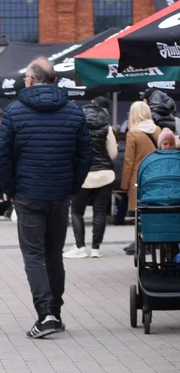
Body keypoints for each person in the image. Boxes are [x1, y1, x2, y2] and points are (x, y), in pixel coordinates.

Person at [0, 58, 91, 339]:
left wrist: (11, 189)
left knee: (34, 255)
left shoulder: (14, 112)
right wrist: (72, 185)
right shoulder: (74, 112)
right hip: (60, 195)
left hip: (28, 193)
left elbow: (4, 156)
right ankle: (56, 313)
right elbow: (85, 155)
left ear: (30, 79)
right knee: (53, 255)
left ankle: (45, 314)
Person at [64, 100, 117, 260]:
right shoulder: (107, 128)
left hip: (83, 176)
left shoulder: (76, 129)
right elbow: (113, 153)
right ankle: (95, 248)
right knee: (99, 211)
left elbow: (70, 153)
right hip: (105, 175)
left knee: (77, 212)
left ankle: (80, 247)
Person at [121, 101, 161, 255]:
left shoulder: (133, 133)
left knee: (138, 212)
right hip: (155, 176)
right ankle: (151, 240)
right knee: (152, 210)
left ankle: (139, 241)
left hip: (138, 178)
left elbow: (129, 161)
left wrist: (124, 183)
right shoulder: (157, 130)